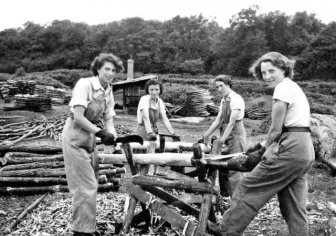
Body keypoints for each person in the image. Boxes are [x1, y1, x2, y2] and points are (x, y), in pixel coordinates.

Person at [218, 52, 315, 236]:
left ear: (284, 69)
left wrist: (261, 151)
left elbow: (276, 129)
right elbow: (290, 126)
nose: (267, 76)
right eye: (263, 73)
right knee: (293, 207)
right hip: (304, 149)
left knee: (248, 187)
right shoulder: (293, 87)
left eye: (272, 71)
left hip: (291, 147)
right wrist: (260, 145)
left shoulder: (282, 89)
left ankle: (225, 231)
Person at [62, 53, 123, 236]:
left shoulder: (108, 91)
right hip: (74, 138)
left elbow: (109, 119)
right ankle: (81, 232)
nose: (110, 73)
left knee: (91, 185)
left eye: (113, 70)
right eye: (107, 69)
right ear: (97, 69)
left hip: (89, 139)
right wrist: (100, 132)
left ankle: (86, 227)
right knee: (85, 186)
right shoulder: (85, 84)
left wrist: (113, 138)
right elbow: (78, 117)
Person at [201, 75, 246, 197]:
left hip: (236, 134)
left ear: (229, 85)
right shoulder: (224, 100)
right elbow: (218, 120)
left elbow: (232, 123)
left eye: (222, 86)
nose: (219, 89)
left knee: (235, 168)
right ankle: (227, 195)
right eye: (217, 87)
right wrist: (207, 133)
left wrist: (221, 140)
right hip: (225, 132)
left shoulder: (236, 99)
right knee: (223, 165)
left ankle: (238, 200)